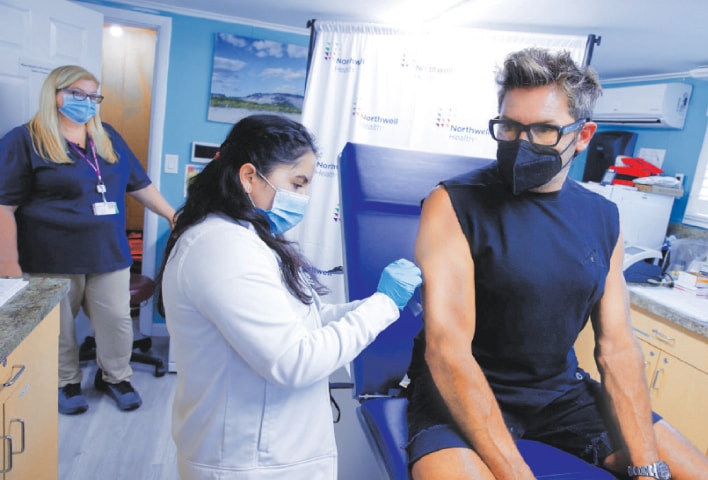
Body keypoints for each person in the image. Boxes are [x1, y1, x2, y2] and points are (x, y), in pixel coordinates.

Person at [404, 48, 708, 480]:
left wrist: (649, 467)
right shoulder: (452, 204)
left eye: (542, 130)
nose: (521, 144)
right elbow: (448, 352)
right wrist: (518, 474)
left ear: (582, 135)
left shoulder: (602, 217)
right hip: (457, 394)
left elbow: (616, 347)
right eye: (509, 127)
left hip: (559, 396)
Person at [158, 114, 422, 480]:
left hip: (268, 452)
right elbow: (295, 360)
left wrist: (375, 304)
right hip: (247, 462)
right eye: (297, 184)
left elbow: (301, 322)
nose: (302, 198)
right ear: (249, 176)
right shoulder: (223, 248)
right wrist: (383, 304)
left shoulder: (246, 239)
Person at [0, 65, 176, 415]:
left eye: (93, 96)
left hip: (108, 254)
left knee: (117, 323)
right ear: (55, 94)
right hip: (50, 258)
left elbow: (140, 185)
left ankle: (115, 377)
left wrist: (173, 215)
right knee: (60, 331)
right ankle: (66, 382)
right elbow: (4, 205)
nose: (87, 102)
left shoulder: (106, 136)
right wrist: (8, 263)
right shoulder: (24, 140)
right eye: (77, 93)